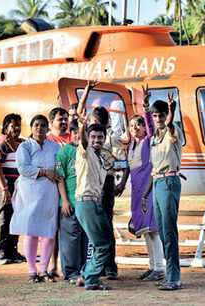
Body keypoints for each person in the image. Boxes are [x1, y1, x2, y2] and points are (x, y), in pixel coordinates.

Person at [77, 80, 129, 280]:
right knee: (96, 232)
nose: (97, 139)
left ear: (106, 123)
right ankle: (91, 271)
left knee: (104, 228)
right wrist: (87, 91)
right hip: (89, 191)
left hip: (105, 185)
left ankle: (106, 267)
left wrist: (121, 182)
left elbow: (124, 164)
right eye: (93, 120)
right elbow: (81, 129)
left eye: (99, 120)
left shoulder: (109, 141)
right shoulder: (88, 146)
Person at [10, 114, 62, 283]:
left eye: (43, 125)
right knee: (31, 231)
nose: (39, 128)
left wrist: (56, 174)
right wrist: (45, 172)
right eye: (36, 125)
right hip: (29, 193)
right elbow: (23, 169)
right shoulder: (24, 147)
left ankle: (43, 270)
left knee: (48, 232)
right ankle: (32, 270)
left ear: (48, 128)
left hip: (49, 193)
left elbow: (60, 167)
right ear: (31, 129)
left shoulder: (55, 147)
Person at [142, 90, 184, 291]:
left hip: (169, 182)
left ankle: (174, 277)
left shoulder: (172, 130)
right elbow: (153, 169)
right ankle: (170, 274)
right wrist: (146, 194)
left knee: (169, 231)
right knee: (162, 231)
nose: (158, 119)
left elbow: (169, 125)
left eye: (161, 114)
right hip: (158, 183)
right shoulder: (154, 138)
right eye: (155, 115)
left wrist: (172, 110)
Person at [127, 86, 164, 281]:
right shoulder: (130, 146)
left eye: (138, 125)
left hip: (148, 192)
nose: (135, 129)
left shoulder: (149, 141)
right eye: (132, 126)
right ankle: (152, 266)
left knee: (153, 230)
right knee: (146, 231)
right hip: (137, 193)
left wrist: (146, 108)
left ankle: (159, 268)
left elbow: (151, 128)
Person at [74, 114, 113, 290]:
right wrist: (83, 127)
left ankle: (85, 274)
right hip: (87, 203)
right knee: (103, 244)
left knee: (106, 241)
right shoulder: (86, 151)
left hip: (94, 204)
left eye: (100, 137)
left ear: (104, 139)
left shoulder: (99, 157)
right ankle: (91, 278)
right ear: (89, 139)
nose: (97, 140)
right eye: (94, 137)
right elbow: (82, 142)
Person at [56, 119, 88, 285]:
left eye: (80, 132)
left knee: (85, 238)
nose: (77, 135)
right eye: (74, 132)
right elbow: (60, 178)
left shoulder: (88, 150)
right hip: (70, 203)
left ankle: (84, 270)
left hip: (86, 203)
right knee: (70, 239)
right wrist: (65, 201)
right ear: (70, 133)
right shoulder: (64, 152)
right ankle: (70, 272)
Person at [0, 113, 25, 265]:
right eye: (13, 125)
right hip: (3, 187)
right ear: (6, 128)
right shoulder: (1, 145)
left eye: (18, 125)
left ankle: (13, 251)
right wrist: (4, 189)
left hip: (17, 188)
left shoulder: (22, 144)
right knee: (2, 219)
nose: (17, 128)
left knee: (15, 219)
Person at [46, 107, 71, 277]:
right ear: (51, 122)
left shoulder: (73, 138)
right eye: (60, 119)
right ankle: (54, 266)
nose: (63, 122)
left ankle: (72, 266)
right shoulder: (47, 141)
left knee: (71, 230)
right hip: (51, 192)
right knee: (52, 230)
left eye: (65, 119)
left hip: (72, 191)